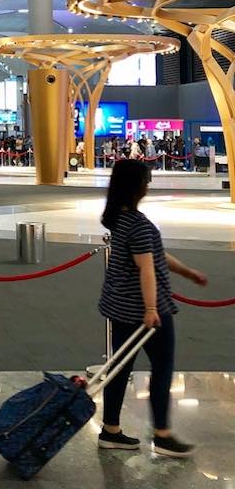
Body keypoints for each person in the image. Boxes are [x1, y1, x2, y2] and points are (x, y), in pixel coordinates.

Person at [98, 159, 208, 457]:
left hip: (119, 305)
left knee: (120, 367)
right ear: (136, 186)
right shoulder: (139, 225)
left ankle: (110, 429)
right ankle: (162, 433)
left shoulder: (119, 219)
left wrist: (187, 272)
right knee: (162, 367)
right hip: (144, 310)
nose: (149, 184)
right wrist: (150, 308)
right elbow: (147, 268)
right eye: (146, 180)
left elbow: (154, 255)